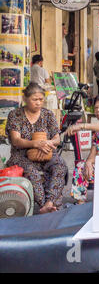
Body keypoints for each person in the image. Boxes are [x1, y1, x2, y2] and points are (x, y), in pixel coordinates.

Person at [6, 83, 68, 213]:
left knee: (60, 165)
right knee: (32, 172)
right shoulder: (15, 115)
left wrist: (47, 143)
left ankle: (50, 202)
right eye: (35, 99)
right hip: (21, 155)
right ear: (25, 99)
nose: (38, 103)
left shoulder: (48, 115)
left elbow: (57, 139)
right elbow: (16, 141)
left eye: (41, 99)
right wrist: (35, 144)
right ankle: (44, 204)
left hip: (46, 152)